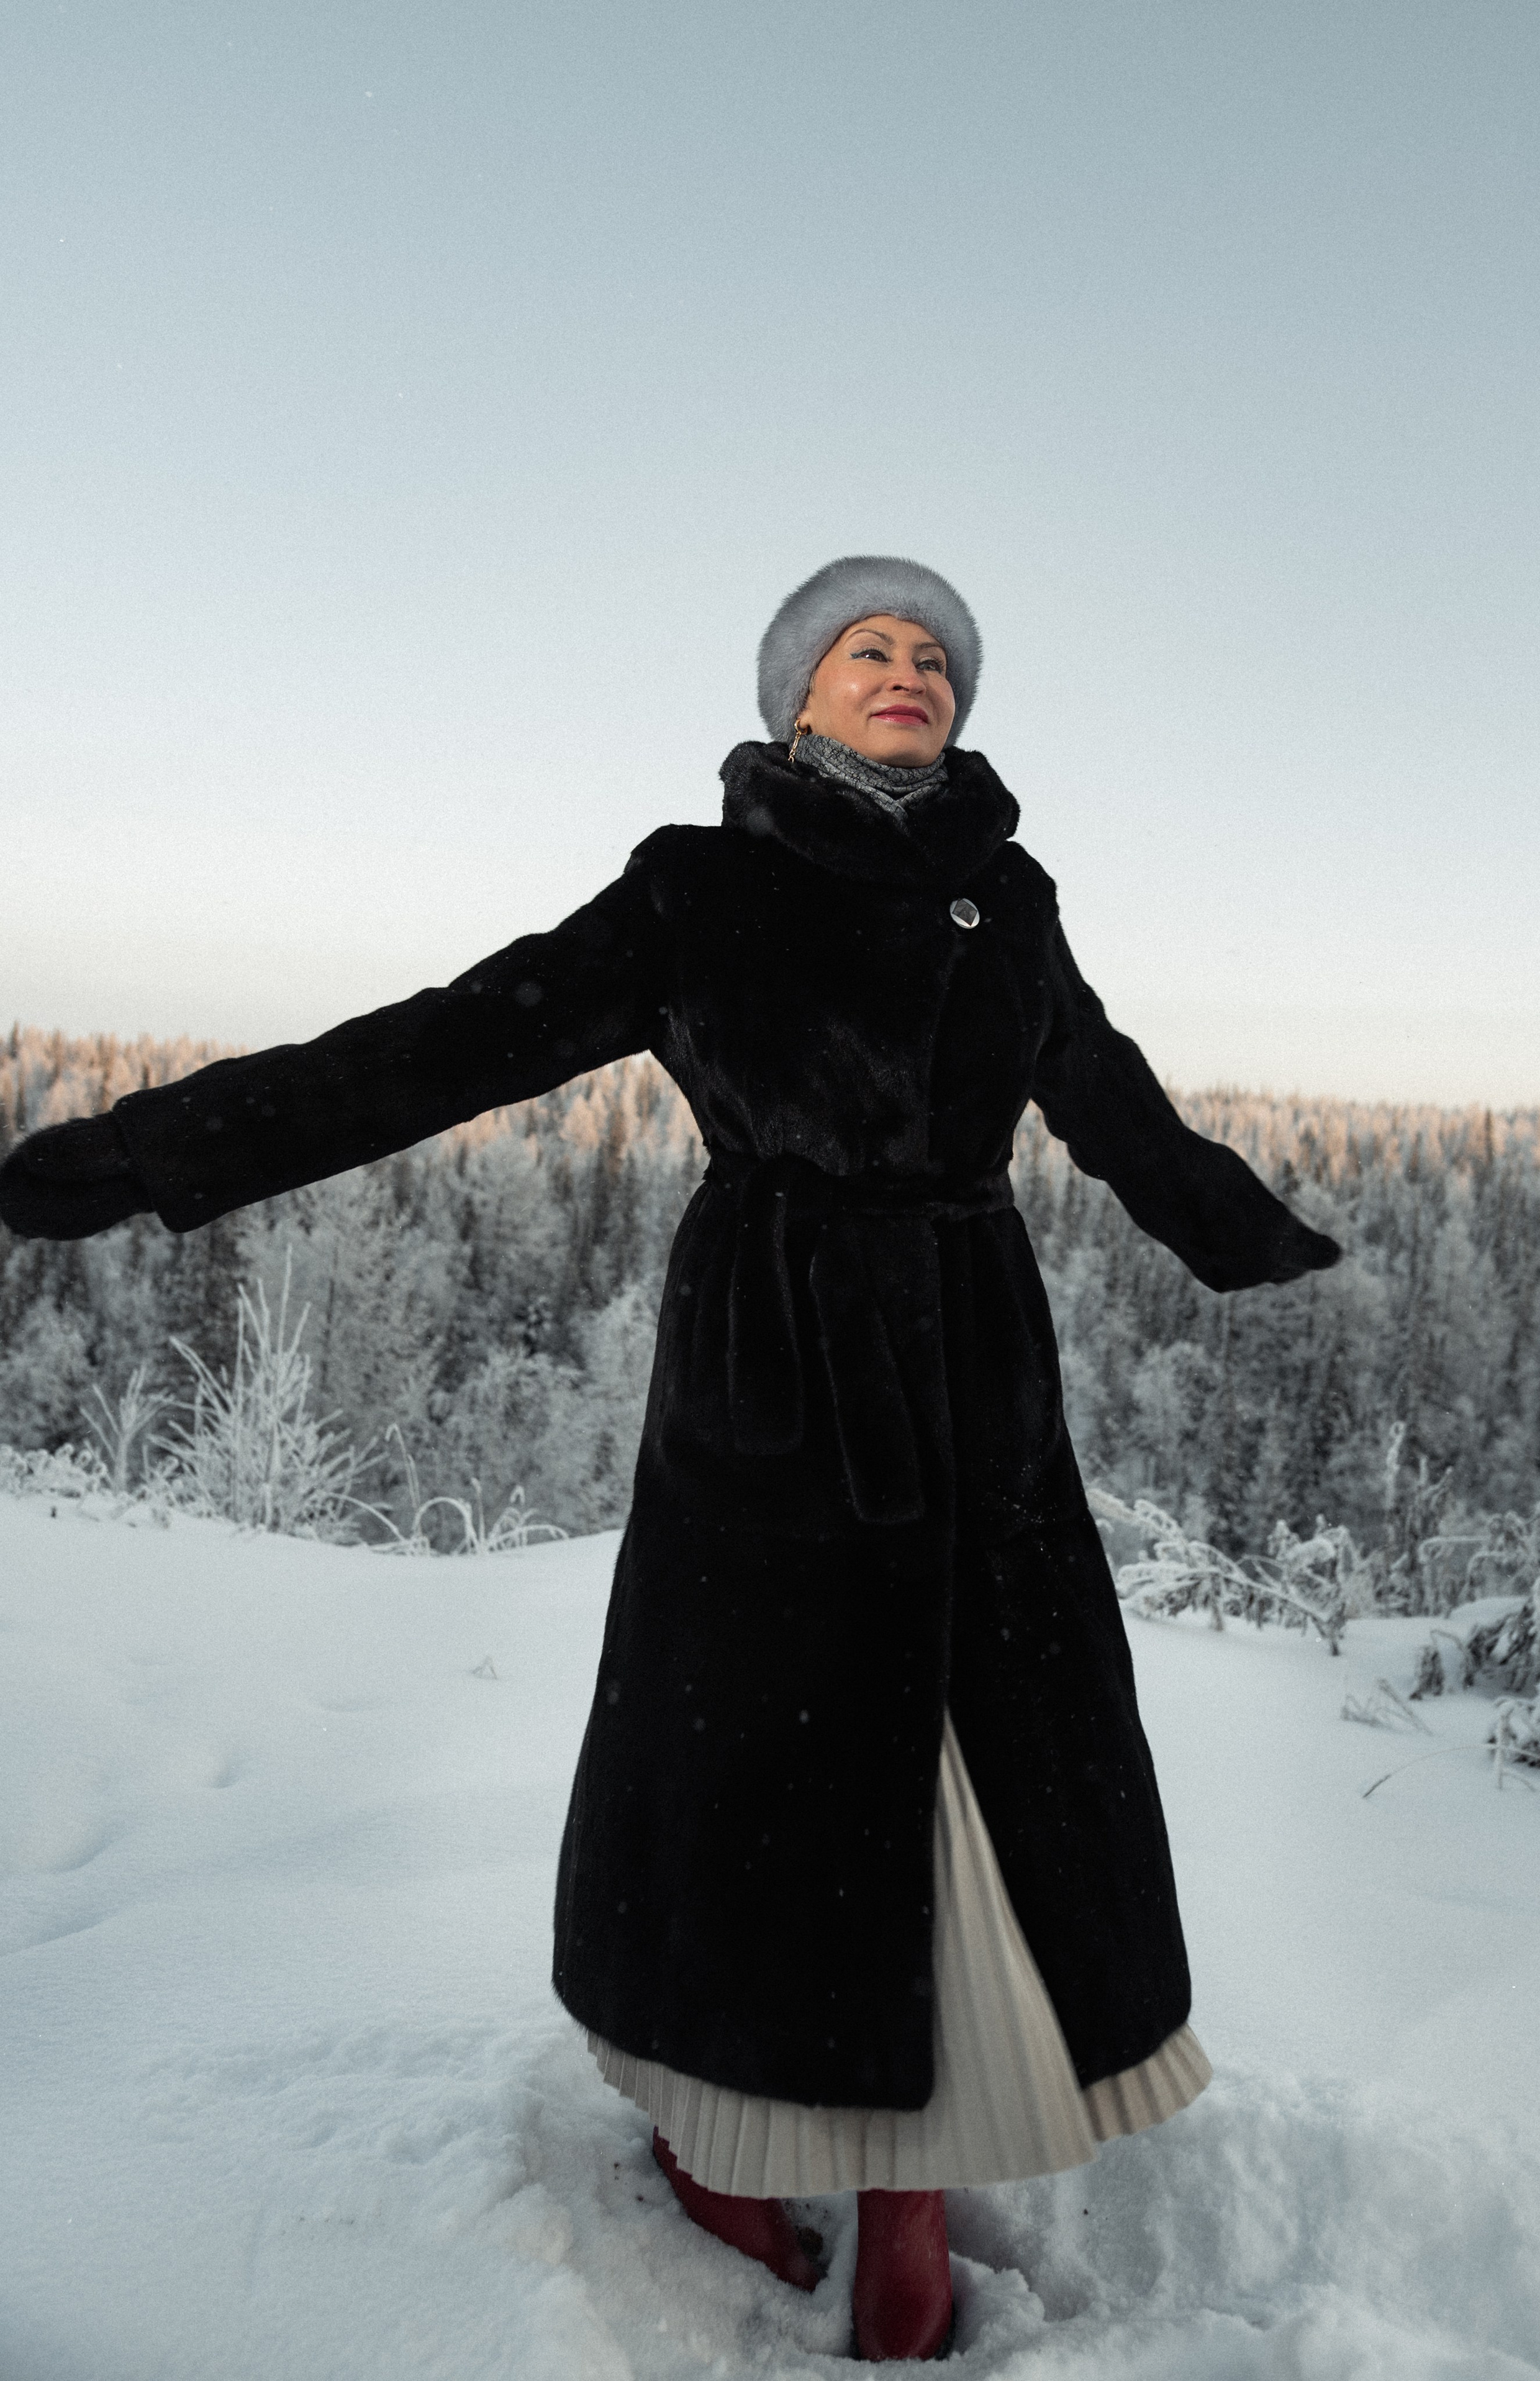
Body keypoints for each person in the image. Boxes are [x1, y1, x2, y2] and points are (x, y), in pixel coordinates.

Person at [0, 556, 1341, 2362]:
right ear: (795, 693)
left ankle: (907, 2211)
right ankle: (737, 2148)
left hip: (973, 1380)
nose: (907, 669)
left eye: (935, 654)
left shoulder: (1007, 898)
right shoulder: (696, 886)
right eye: (868, 646)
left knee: (983, 1776)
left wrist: (1259, 1234)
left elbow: (1113, 1101)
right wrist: (154, 1156)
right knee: (762, 1790)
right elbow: (452, 1042)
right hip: (774, 1380)